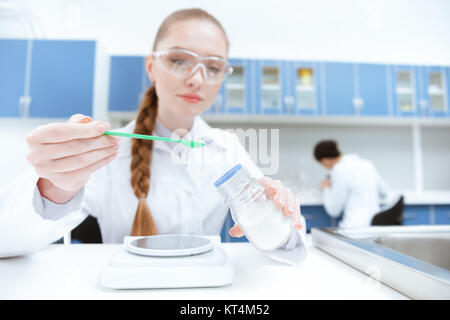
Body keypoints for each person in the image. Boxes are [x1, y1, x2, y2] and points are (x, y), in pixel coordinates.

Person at [0, 8, 307, 264]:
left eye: (213, 67)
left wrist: (280, 214)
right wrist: (54, 187)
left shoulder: (227, 148)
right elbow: (7, 239)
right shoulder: (109, 148)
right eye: (179, 60)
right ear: (151, 65)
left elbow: (290, 248)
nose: (197, 79)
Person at [313, 140, 393, 228]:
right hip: (376, 225)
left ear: (324, 160)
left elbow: (334, 210)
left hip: (354, 227)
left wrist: (326, 188)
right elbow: (385, 191)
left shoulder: (339, 170)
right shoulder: (367, 164)